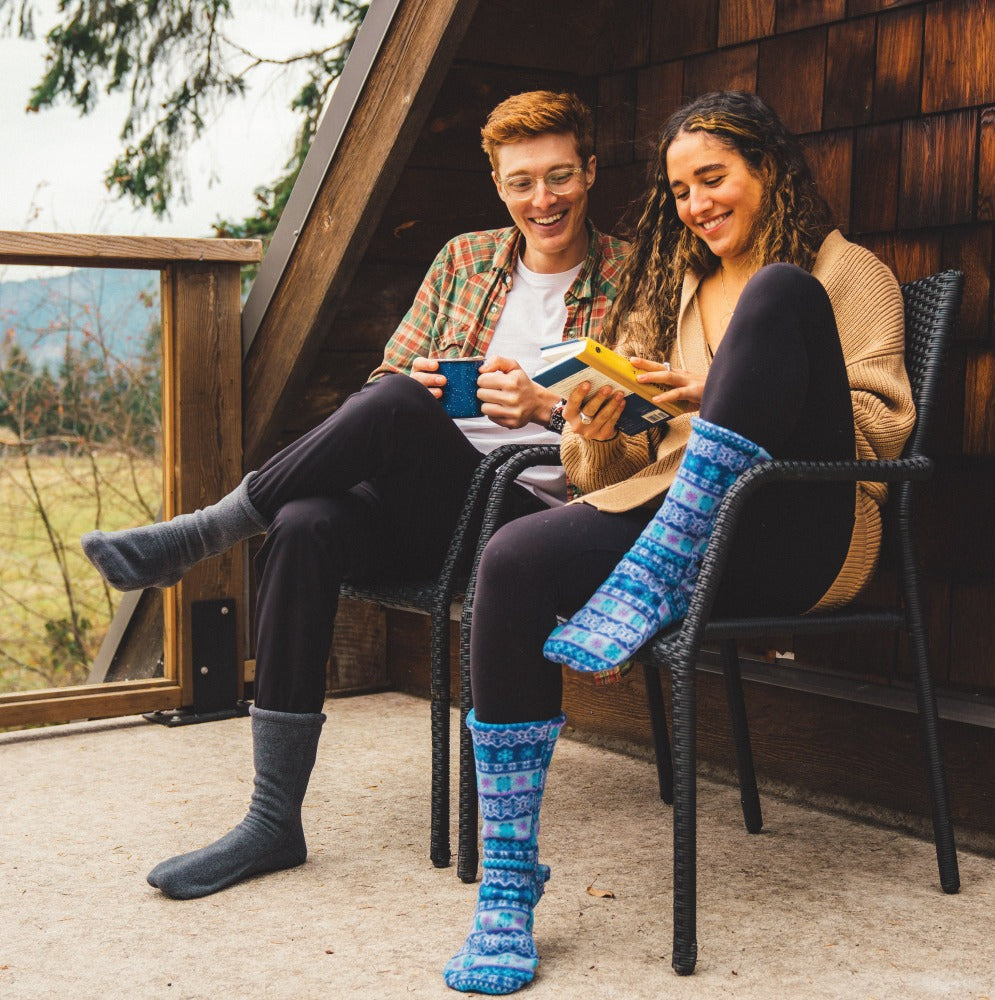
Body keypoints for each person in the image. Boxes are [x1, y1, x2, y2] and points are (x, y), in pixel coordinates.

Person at [80, 90, 627, 900]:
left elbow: (646, 433)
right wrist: (429, 386)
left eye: (558, 178)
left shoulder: (637, 276)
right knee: (303, 523)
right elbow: (385, 387)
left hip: (532, 523)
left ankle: (205, 532)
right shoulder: (464, 261)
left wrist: (546, 406)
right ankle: (273, 819)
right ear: (497, 183)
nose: (540, 200)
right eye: (520, 183)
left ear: (589, 170)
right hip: (431, 502)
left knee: (396, 410)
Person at [442, 90, 915, 995]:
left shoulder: (842, 272)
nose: (697, 204)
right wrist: (601, 417)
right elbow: (602, 464)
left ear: (766, 170)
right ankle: (507, 881)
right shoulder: (678, 287)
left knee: (780, 294)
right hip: (677, 512)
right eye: (681, 190)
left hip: (795, 526)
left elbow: (884, 426)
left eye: (714, 178)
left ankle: (665, 562)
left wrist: (727, 399)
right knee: (511, 560)